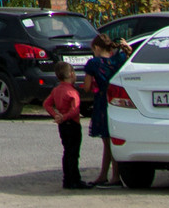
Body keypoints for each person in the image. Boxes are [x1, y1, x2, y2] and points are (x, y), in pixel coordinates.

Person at [83, 35, 124, 186]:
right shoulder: (118, 59)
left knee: (107, 142)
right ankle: (106, 174)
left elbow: (86, 87)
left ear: (97, 48)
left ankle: (114, 175)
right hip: (117, 99)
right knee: (112, 140)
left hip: (102, 101)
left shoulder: (93, 63)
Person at [47, 56, 86, 188]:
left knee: (67, 151)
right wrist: (65, 117)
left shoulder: (56, 90)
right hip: (73, 124)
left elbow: (46, 104)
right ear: (71, 74)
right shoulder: (72, 92)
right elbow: (75, 110)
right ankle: (75, 179)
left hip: (63, 125)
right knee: (74, 153)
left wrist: (56, 115)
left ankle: (67, 179)